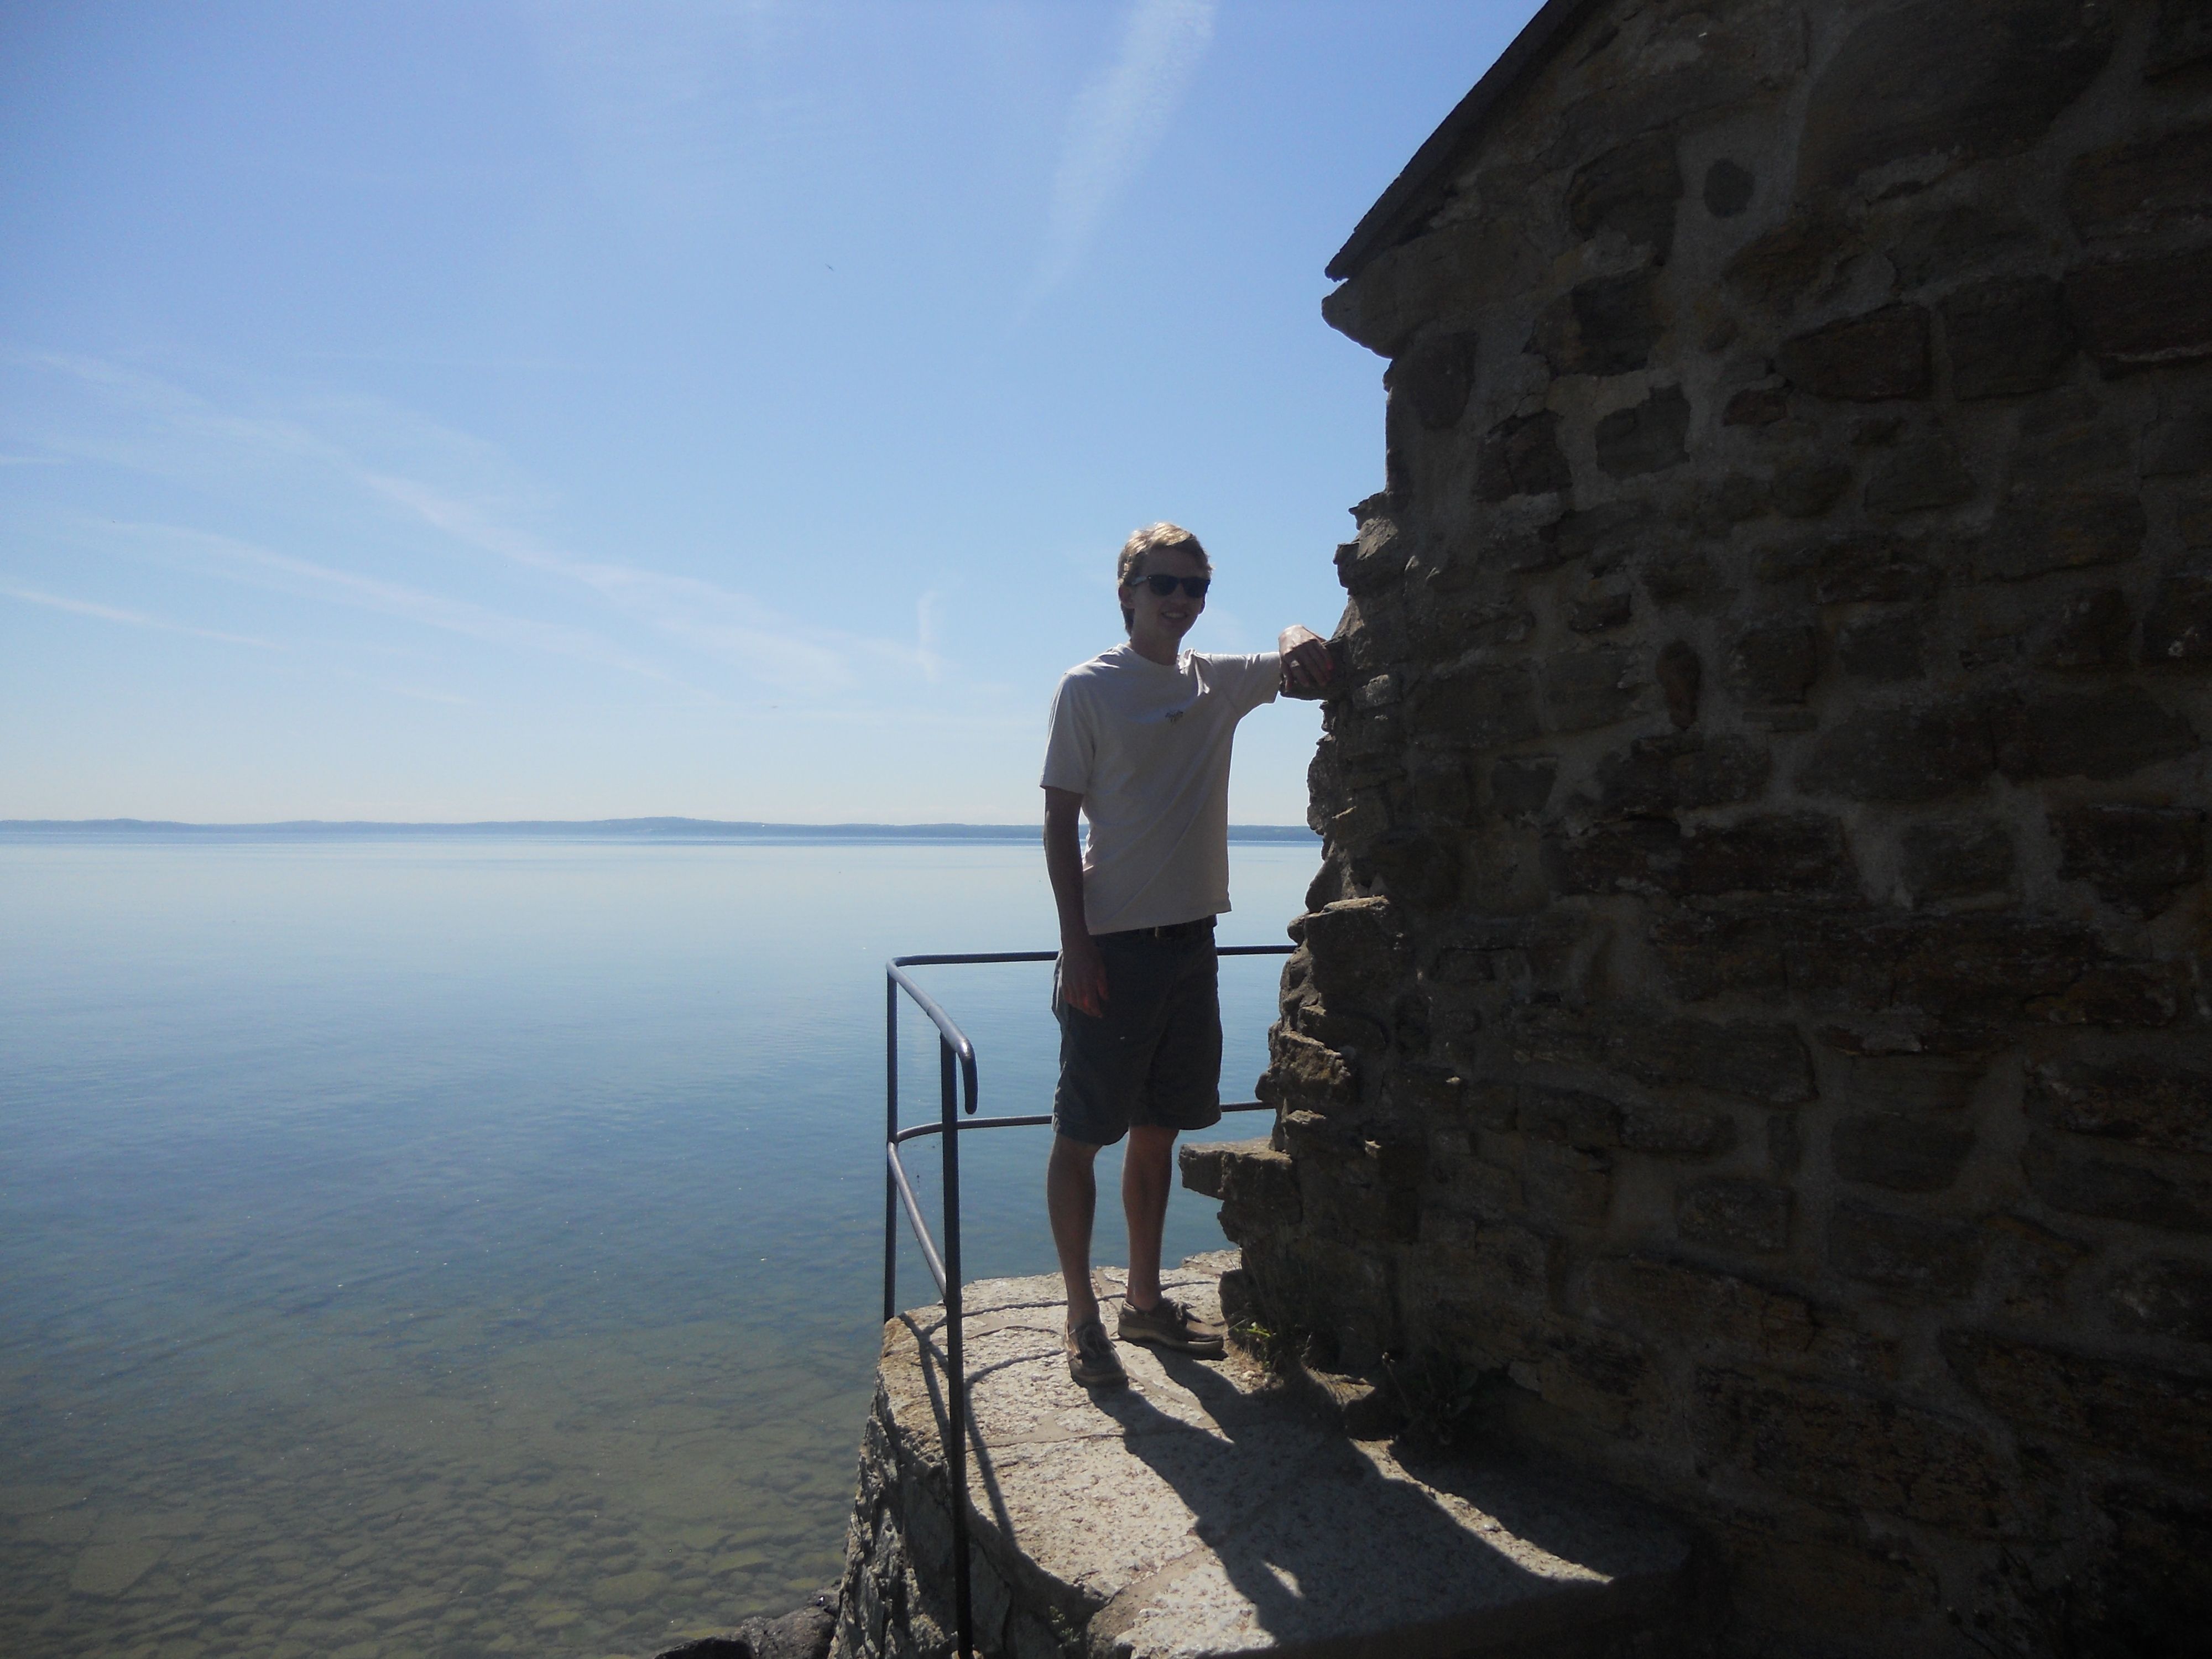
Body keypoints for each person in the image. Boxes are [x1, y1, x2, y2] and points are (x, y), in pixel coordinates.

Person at [1039, 521, 1333, 1389]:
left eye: (1196, 588)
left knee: (1157, 1134)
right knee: (1080, 1135)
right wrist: (1077, 947)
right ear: (1127, 590)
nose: (1181, 602)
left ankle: (1142, 1303)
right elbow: (1058, 821)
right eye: (1165, 584)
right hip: (1113, 949)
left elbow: (1300, 664)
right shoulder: (1088, 688)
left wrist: (1292, 633)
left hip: (1191, 944)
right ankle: (1081, 1317)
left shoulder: (1216, 683)